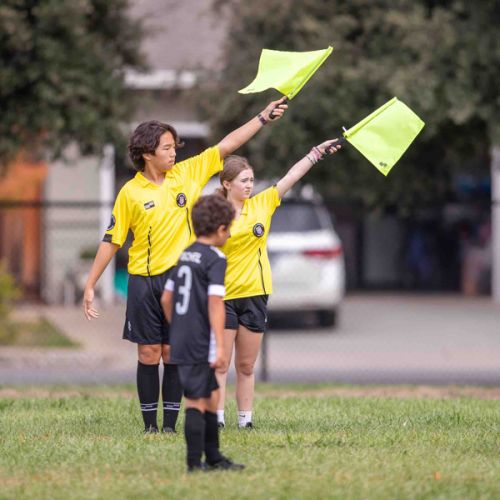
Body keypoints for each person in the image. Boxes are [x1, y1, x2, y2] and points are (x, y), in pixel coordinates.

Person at [82, 97, 288, 434]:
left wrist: (263, 117)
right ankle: (150, 426)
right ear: (147, 154)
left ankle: (170, 426)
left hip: (182, 281)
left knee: (173, 353)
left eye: (174, 146)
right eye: (166, 148)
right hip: (144, 281)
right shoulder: (130, 193)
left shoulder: (187, 174)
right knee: (149, 353)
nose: (173, 152)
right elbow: (112, 240)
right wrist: (91, 284)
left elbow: (228, 144)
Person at [215, 139, 342, 429]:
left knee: (246, 365)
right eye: (243, 181)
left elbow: (292, 176)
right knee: (220, 364)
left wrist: (315, 153)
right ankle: (216, 418)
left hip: (255, 294)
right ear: (226, 184)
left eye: (251, 180)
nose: (249, 186)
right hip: (222, 296)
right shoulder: (214, 213)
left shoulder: (262, 204)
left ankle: (245, 421)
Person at [161, 194, 244, 472]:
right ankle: (194, 464)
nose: (230, 233)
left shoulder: (186, 254)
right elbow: (215, 303)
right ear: (221, 229)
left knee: (210, 397)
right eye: (229, 228)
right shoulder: (215, 258)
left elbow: (166, 298)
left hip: (182, 337)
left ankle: (215, 457)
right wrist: (220, 347)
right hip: (201, 340)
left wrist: (177, 327)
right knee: (196, 401)